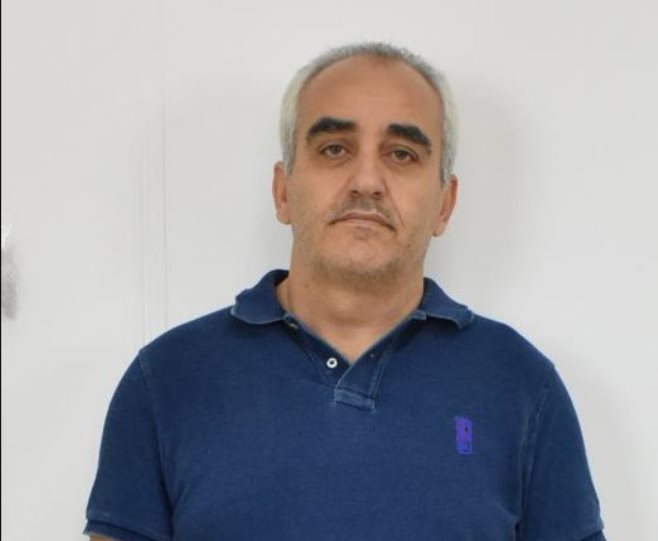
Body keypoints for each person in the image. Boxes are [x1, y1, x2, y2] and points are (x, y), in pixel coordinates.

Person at [83, 41, 606, 541]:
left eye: (401, 153)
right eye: (335, 149)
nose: (367, 180)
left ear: (445, 204)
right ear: (282, 190)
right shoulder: (169, 380)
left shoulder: (520, 385)